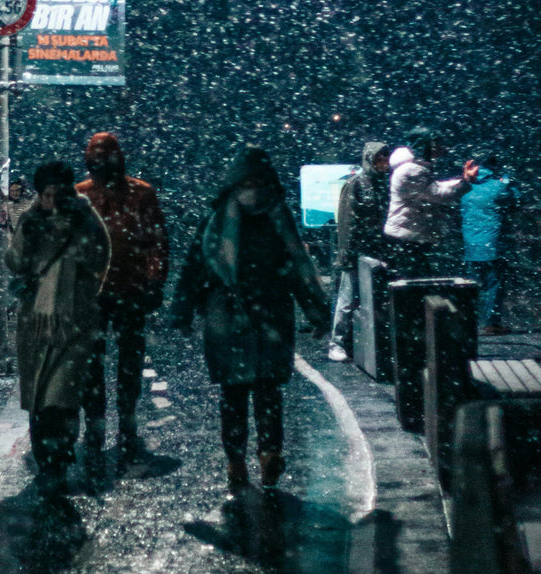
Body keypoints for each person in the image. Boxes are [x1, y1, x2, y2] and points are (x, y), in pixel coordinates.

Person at [173, 145, 328, 495]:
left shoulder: (222, 218)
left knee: (248, 391)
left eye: (257, 180)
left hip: (242, 315)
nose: (253, 187)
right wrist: (314, 309)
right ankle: (252, 457)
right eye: (249, 180)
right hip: (250, 314)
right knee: (250, 391)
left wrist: (184, 308)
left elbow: (197, 267)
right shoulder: (270, 216)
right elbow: (297, 268)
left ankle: (251, 458)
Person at [7, 161, 110, 503]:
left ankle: (60, 460)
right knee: (39, 400)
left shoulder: (84, 219)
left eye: (57, 193)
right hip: (35, 323)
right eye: (46, 193)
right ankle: (46, 463)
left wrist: (76, 273)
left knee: (61, 399)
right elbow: (14, 260)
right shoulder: (31, 220)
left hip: (74, 322)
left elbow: (100, 257)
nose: (51, 199)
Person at [77, 132, 169, 480]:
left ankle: (109, 425)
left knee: (107, 361)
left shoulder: (134, 194)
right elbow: (157, 242)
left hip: (120, 289)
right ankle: (111, 424)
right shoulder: (84, 195)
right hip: (109, 291)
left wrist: (155, 280)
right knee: (107, 362)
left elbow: (156, 242)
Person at [383, 127, 477, 277]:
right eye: (437, 144)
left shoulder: (412, 168)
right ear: (426, 145)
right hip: (407, 236)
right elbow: (437, 194)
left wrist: (462, 180)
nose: (441, 148)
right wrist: (465, 182)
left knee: (413, 281)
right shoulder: (412, 170)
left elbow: (434, 187)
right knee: (414, 282)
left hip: (407, 233)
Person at [329, 141, 391, 361]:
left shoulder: (382, 184)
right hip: (357, 251)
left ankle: (363, 343)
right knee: (347, 298)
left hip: (376, 250)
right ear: (370, 159)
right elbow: (346, 222)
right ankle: (337, 343)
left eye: (386, 157)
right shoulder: (356, 184)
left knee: (371, 299)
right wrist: (346, 253)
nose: (385, 162)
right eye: (380, 158)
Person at [461, 150, 520, 335]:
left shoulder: (466, 188)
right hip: (493, 243)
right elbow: (517, 201)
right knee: (494, 283)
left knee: (474, 284)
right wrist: (509, 181)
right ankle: (491, 323)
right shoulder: (500, 186)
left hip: (471, 244)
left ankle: (467, 321)